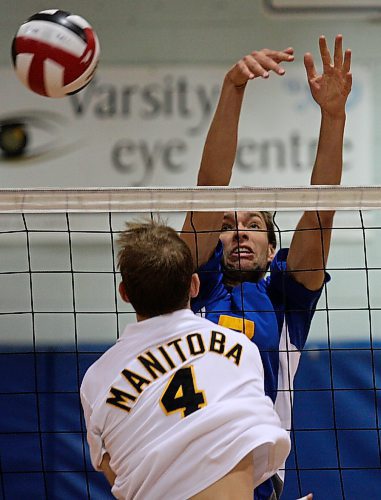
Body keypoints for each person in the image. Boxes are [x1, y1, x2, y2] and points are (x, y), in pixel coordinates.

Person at [181, 35, 352, 500]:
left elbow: (320, 213)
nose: (239, 231)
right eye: (230, 224)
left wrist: (333, 116)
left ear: (273, 249)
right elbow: (208, 190)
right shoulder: (196, 284)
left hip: (255, 481)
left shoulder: (285, 297)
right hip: (185, 473)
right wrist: (233, 86)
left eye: (254, 224)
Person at [80, 220, 291, 500]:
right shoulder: (242, 349)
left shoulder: (97, 381)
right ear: (194, 285)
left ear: (124, 294)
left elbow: (116, 476)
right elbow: (257, 450)